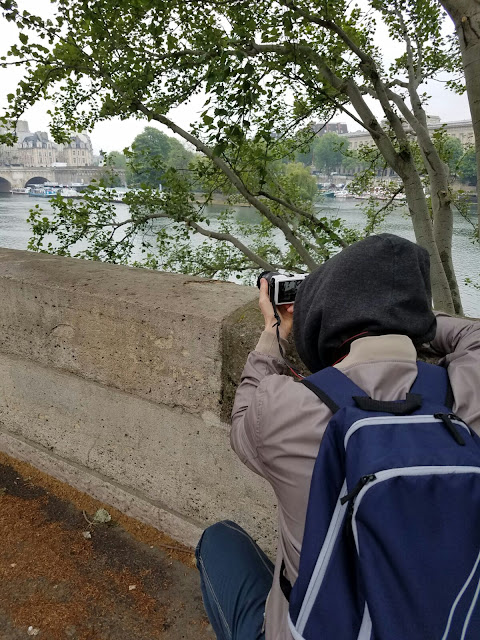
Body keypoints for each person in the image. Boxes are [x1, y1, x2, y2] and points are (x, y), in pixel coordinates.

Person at [195, 233, 480, 640]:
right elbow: (470, 335)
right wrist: (404, 314)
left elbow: (242, 418)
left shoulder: (283, 408)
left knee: (219, 540)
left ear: (323, 321)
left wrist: (274, 330)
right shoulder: (468, 389)